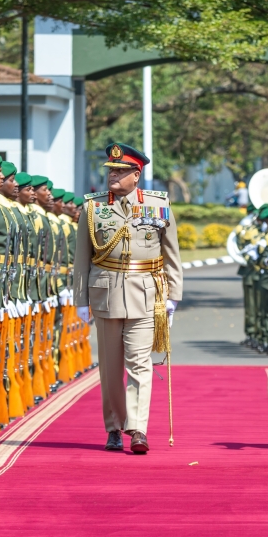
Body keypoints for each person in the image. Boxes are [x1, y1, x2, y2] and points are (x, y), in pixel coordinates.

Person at [73, 143, 183, 454]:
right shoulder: (93, 207)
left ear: (136, 175)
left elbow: (171, 254)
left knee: (140, 363)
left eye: (120, 172)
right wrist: (81, 299)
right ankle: (113, 427)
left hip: (146, 293)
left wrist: (174, 296)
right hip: (106, 293)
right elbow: (82, 257)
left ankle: (137, 428)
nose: (112, 176)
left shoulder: (157, 205)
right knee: (110, 369)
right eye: (110, 171)